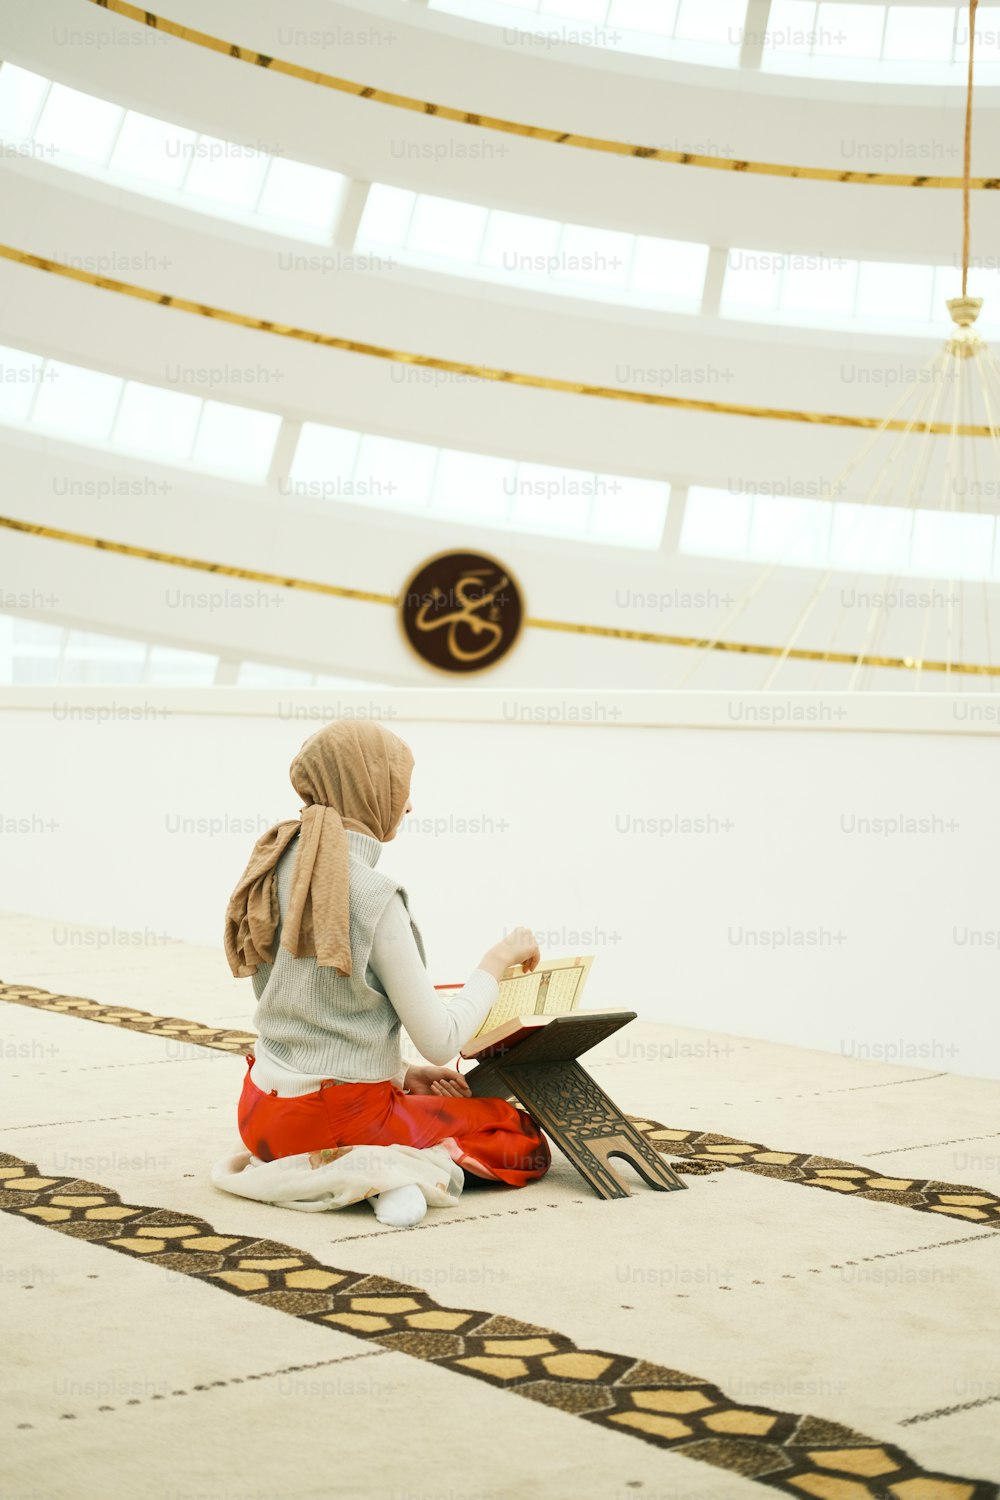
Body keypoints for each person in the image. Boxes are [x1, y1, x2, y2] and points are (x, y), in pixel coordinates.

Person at [223, 719, 551, 1226]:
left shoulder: (271, 867)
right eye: (402, 788)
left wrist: (402, 1073)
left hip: (258, 1114)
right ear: (368, 788)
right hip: (333, 1119)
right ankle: (385, 1174)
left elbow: (310, 1012)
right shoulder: (374, 895)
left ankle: (355, 1172)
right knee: (520, 1135)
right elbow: (442, 1040)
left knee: (410, 1101)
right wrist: (495, 962)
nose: (410, 805)